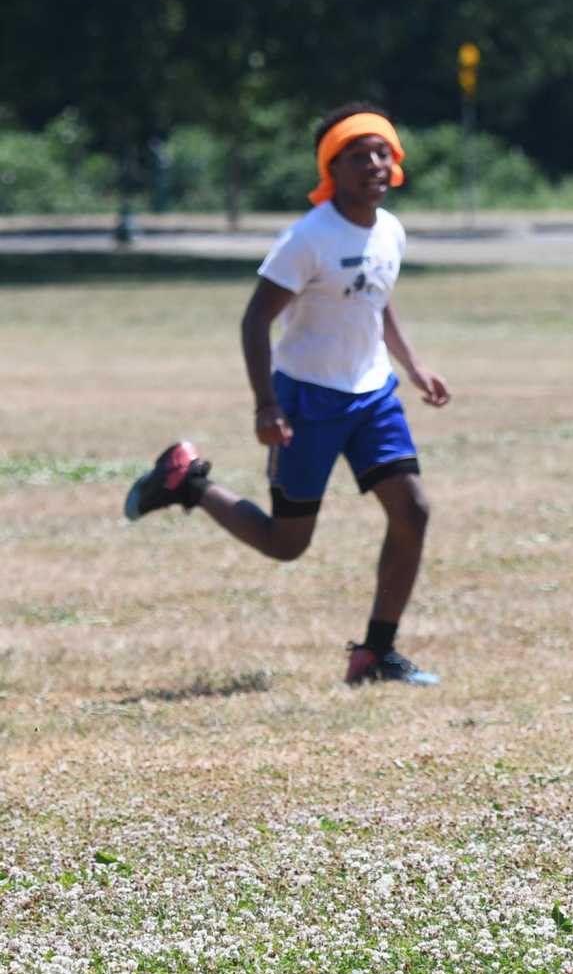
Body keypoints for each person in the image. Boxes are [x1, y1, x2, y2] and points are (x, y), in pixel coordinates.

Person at [123, 103, 450, 687]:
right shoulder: (308, 238)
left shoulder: (391, 230)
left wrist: (416, 367)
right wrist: (266, 405)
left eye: (382, 152)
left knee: (413, 510)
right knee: (286, 543)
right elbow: (255, 321)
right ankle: (188, 483)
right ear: (332, 168)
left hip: (372, 395)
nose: (373, 164)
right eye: (357, 156)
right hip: (307, 400)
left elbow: (376, 299)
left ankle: (376, 654)